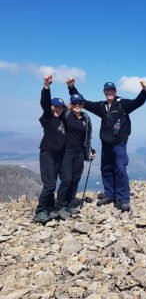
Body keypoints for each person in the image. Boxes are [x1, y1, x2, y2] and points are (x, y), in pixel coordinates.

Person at [67, 78, 146, 212]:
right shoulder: (101, 106)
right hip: (106, 144)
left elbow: (138, 102)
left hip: (119, 143)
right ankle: (110, 194)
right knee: (106, 169)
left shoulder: (123, 104)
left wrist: (144, 90)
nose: (109, 92)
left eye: (112, 90)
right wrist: (71, 87)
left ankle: (124, 199)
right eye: (107, 90)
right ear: (104, 92)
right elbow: (83, 102)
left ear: (115, 91)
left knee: (121, 169)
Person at [54, 91, 95, 219]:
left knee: (76, 179)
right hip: (66, 151)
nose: (77, 104)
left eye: (80, 102)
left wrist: (90, 150)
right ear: (71, 104)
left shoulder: (85, 118)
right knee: (67, 179)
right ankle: (60, 206)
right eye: (75, 102)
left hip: (79, 152)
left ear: (83, 104)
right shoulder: (66, 115)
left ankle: (71, 204)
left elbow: (86, 137)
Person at [33, 75, 67, 224]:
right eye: (56, 106)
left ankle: (50, 208)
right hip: (47, 154)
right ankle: (40, 211)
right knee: (50, 184)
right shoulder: (48, 116)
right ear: (52, 107)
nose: (58, 109)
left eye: (61, 107)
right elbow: (45, 103)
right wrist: (46, 86)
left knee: (54, 182)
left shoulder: (63, 120)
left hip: (59, 155)